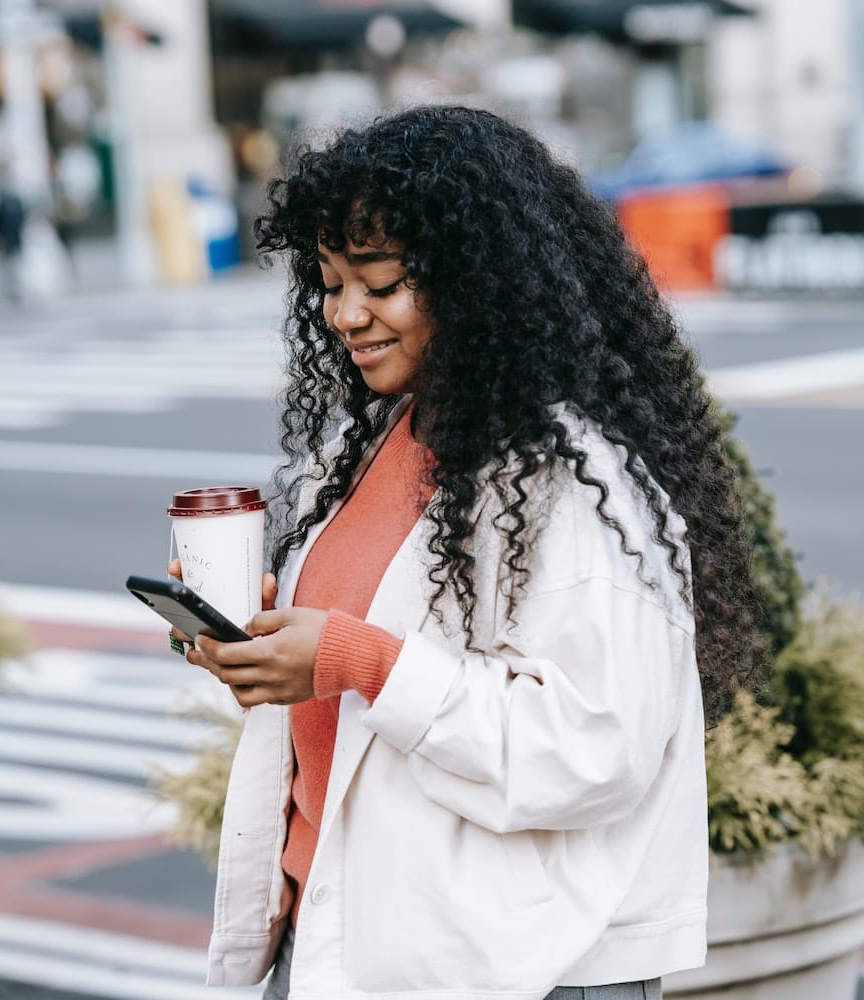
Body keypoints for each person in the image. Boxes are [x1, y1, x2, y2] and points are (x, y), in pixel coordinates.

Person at [177, 105, 765, 1000]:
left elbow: (592, 751)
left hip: (510, 968)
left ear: (473, 280)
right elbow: (340, 680)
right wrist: (250, 647)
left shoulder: (568, 480)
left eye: (378, 282)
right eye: (330, 283)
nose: (345, 314)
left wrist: (355, 659)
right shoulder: (369, 444)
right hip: (340, 942)